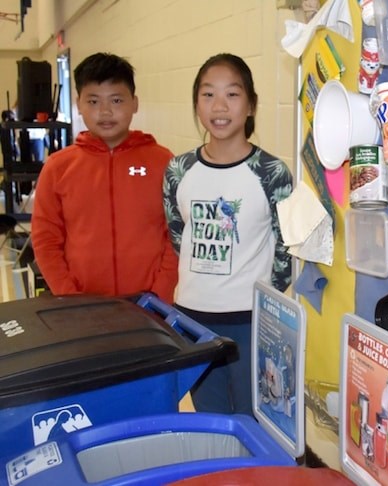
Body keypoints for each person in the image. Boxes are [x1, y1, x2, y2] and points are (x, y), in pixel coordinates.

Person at [163, 53, 293, 416]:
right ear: (196, 104)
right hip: (192, 321)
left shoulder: (270, 171)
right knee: (211, 419)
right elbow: (179, 235)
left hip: (250, 320)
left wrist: (262, 301)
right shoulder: (179, 168)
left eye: (232, 95)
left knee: (256, 417)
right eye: (208, 95)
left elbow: (286, 251)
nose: (219, 106)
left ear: (251, 105)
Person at [32, 53, 178, 303]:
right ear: (79, 104)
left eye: (117, 100)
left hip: (152, 305)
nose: (106, 111)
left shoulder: (163, 162)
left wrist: (160, 294)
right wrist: (69, 296)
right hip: (82, 305)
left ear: (135, 103)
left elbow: (175, 234)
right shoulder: (58, 167)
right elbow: (46, 239)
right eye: (94, 101)